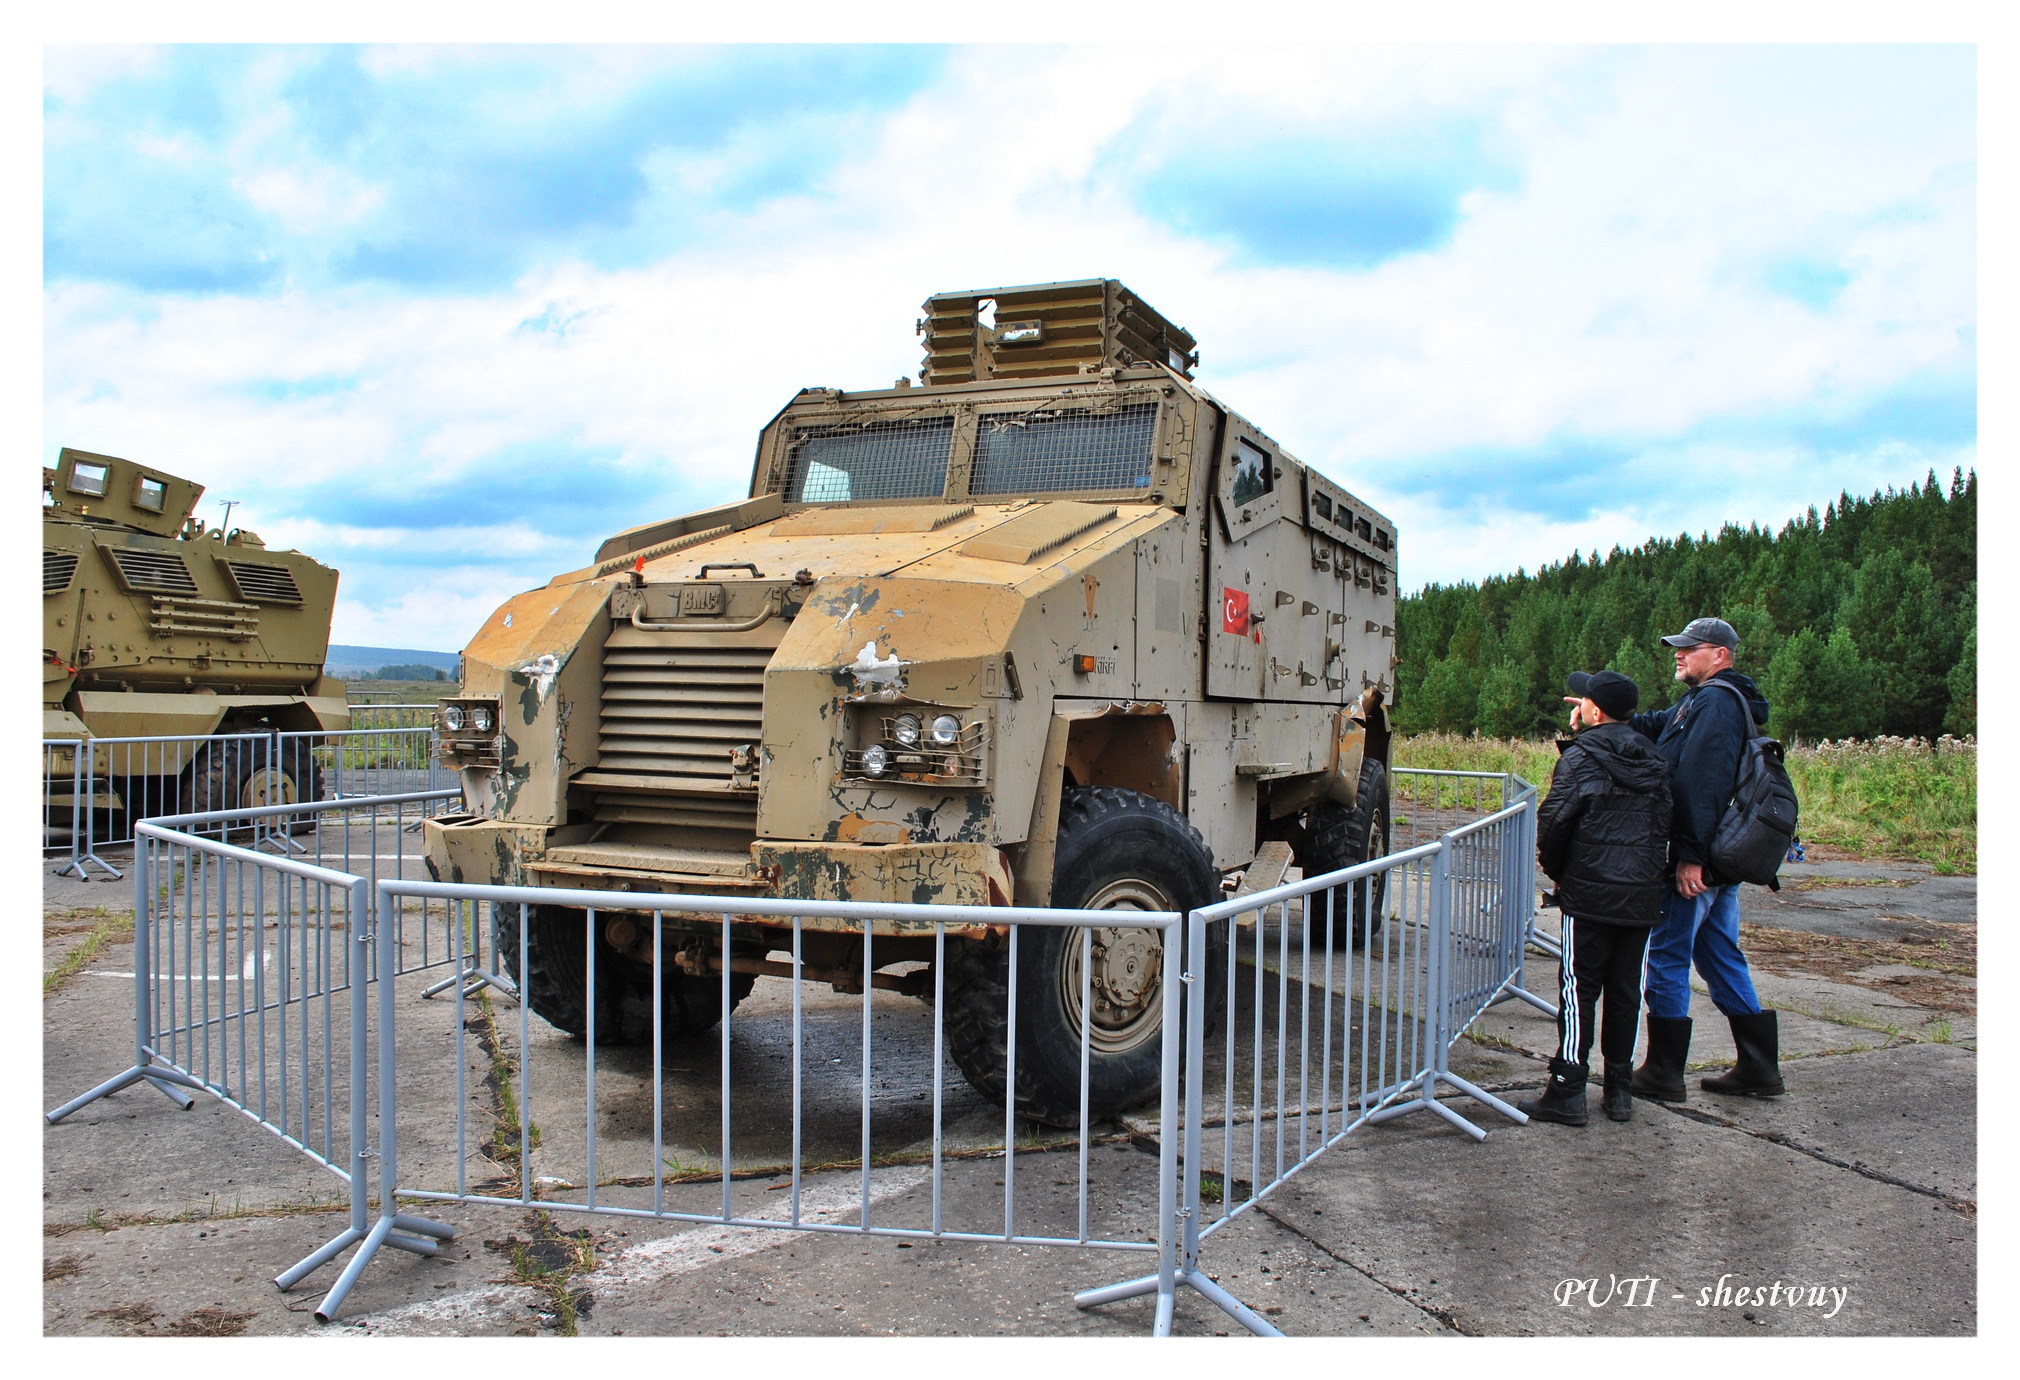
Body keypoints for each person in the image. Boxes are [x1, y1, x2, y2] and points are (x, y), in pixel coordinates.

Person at [1623, 616, 1785, 1101]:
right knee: (1719, 954)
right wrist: (1605, 712)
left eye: (1690, 648)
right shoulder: (1705, 699)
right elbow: (1657, 727)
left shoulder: (1715, 701)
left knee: (1668, 955)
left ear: (1719, 655)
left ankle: (1663, 1072)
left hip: (1700, 858)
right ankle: (1759, 1068)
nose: (1678, 653)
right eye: (1678, 646)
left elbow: (1702, 783)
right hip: (1719, 858)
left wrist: (1689, 858)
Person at [1522, 670, 1672, 1126]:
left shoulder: (1581, 756)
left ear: (1595, 710)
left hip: (1588, 893)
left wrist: (1559, 874)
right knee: (1626, 990)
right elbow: (1666, 822)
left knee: (1578, 989)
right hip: (1641, 895)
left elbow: (1556, 822)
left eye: (1585, 699)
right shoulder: (1655, 757)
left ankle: (1567, 1087)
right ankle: (1619, 1090)